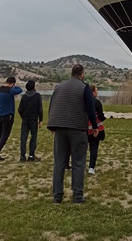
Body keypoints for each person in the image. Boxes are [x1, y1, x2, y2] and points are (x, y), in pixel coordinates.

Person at [47, 64, 98, 204]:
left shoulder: (59, 87)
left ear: (71, 73)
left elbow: (52, 105)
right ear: (82, 74)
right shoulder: (84, 87)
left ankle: (57, 196)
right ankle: (77, 196)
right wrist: (94, 126)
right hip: (77, 128)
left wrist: (52, 125)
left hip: (60, 128)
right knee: (78, 162)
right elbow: (90, 109)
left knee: (59, 163)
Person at [0, 76, 22, 161]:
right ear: (12, 83)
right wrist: (14, 86)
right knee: (5, 135)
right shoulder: (10, 90)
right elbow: (20, 90)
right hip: (7, 115)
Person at [18, 80, 43, 162]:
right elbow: (40, 109)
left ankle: (22, 156)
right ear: (34, 87)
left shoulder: (24, 96)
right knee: (33, 137)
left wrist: (23, 116)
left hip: (25, 119)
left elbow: (20, 109)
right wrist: (41, 119)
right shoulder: (37, 96)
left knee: (23, 137)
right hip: (33, 119)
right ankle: (31, 155)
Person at [88, 85, 106, 175]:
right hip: (94, 129)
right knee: (94, 148)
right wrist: (104, 117)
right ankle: (91, 167)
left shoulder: (83, 101)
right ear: (93, 92)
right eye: (97, 90)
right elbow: (101, 117)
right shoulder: (97, 103)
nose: (98, 92)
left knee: (81, 148)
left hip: (83, 128)